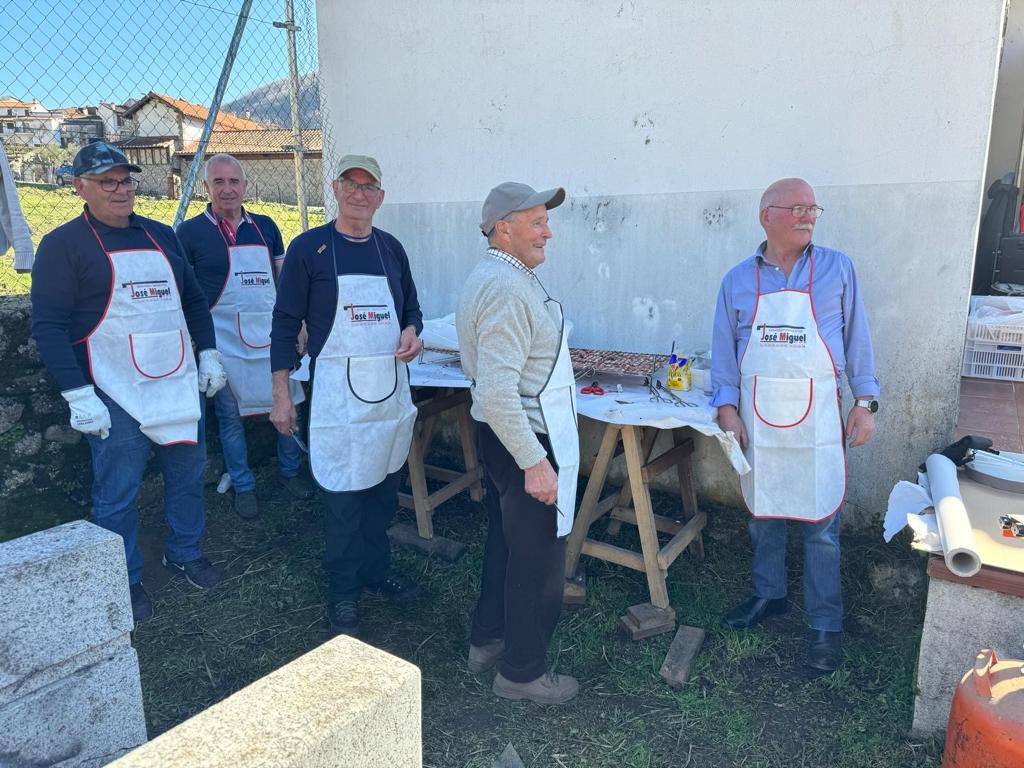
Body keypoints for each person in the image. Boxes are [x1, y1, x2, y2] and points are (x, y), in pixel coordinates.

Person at [30, 141, 228, 623]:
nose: (120, 190)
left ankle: (184, 550)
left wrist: (209, 353)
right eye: (107, 182)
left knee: (186, 476)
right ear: (79, 187)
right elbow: (49, 327)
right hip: (113, 391)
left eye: (126, 180)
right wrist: (78, 394)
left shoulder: (163, 236)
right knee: (117, 492)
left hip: (175, 382)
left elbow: (193, 302)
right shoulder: (63, 246)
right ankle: (125, 576)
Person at [711, 177, 879, 674]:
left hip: (819, 419)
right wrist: (726, 408)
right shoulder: (738, 280)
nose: (808, 216)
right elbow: (724, 350)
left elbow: (858, 340)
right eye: (797, 208)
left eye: (813, 208)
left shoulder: (837, 269)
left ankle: (825, 624)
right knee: (763, 513)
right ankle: (770, 595)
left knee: (821, 525)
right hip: (758, 415)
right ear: (766, 216)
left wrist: (866, 402)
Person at [269, 154, 423, 636]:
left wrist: (413, 331)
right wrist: (281, 393)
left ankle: (376, 574)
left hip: (389, 394)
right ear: (334, 189)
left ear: (381, 196)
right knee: (342, 497)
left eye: (369, 186)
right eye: (350, 184)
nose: (359, 194)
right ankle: (343, 592)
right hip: (337, 400)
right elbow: (284, 323)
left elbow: (413, 307)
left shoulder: (391, 249)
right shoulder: (309, 249)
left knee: (381, 493)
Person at [456, 182, 580, 705]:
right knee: (537, 562)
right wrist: (535, 463)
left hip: (504, 436)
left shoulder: (502, 276)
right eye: (536, 221)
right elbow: (498, 391)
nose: (547, 230)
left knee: (506, 547)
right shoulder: (507, 289)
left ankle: (488, 640)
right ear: (504, 228)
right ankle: (522, 674)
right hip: (522, 437)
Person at [177, 154, 311, 520]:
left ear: (245, 186)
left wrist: (298, 323)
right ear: (207, 187)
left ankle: (289, 473)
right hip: (222, 342)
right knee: (230, 416)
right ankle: (244, 483)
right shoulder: (189, 234)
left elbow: (283, 281)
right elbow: (185, 292)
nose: (227, 189)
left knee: (289, 406)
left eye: (234, 182)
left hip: (270, 336)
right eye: (218, 182)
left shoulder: (266, 227)